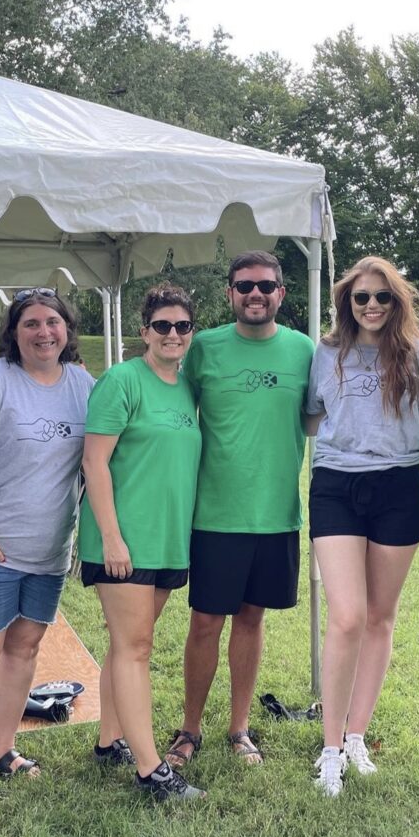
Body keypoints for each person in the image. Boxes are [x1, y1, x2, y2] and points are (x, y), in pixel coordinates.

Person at [0, 289, 101, 821]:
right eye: (30, 323)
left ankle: (1, 749)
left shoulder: (82, 384)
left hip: (51, 552)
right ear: (15, 332)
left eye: (52, 322)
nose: (43, 332)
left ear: (66, 329)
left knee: (25, 650)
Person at [165, 251, 314, 769]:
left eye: (266, 286)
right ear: (229, 293)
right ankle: (189, 729)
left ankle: (239, 728)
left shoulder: (303, 351)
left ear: (281, 294)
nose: (256, 294)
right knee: (206, 622)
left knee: (252, 620)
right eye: (245, 286)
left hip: (277, 515)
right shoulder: (203, 348)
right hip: (215, 516)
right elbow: (173, 412)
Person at [306, 256, 419, 796]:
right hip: (337, 484)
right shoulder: (327, 351)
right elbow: (311, 415)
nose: (372, 306)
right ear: (347, 302)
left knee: (381, 618)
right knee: (347, 617)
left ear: (397, 302)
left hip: (399, 487)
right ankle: (330, 748)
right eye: (361, 297)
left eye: (382, 297)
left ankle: (357, 737)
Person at [78, 285, 205, 802]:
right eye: (162, 326)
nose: (172, 335)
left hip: (167, 540)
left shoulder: (185, 388)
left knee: (126, 644)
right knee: (136, 649)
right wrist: (112, 537)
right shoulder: (121, 381)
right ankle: (152, 771)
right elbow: (94, 462)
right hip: (123, 541)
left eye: (181, 326)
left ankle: (111, 741)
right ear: (144, 331)